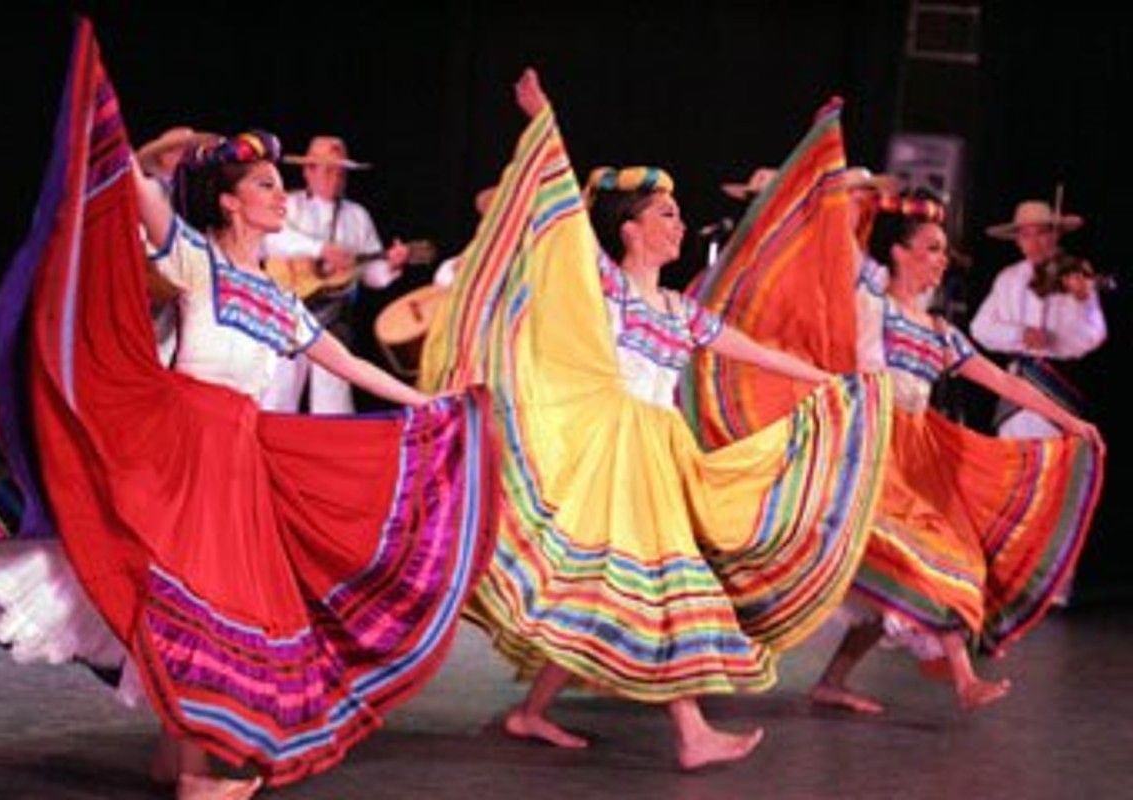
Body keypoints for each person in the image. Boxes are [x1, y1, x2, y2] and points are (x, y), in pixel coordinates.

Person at [0, 21, 498, 799]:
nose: (276, 192)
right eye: (262, 185)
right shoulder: (194, 257)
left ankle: (176, 753)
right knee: (196, 592)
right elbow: (129, 185)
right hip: (183, 440)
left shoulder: (279, 300)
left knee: (207, 599)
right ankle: (195, 779)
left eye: (276, 186)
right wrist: (159, 148)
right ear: (229, 203)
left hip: (237, 451)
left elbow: (349, 360)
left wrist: (428, 401)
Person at [421, 69, 892, 769]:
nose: (678, 223)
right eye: (666, 214)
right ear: (632, 227)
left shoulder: (679, 311)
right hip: (610, 446)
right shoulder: (603, 286)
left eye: (675, 213)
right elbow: (557, 215)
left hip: (656, 449)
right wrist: (543, 122)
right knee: (669, 582)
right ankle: (692, 732)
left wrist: (831, 382)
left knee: (603, 586)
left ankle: (530, 712)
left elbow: (751, 350)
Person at [809, 189, 1104, 714]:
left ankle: (833, 679)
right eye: (931, 247)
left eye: (944, 250)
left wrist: (1067, 420)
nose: (942, 259)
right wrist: (849, 198)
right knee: (936, 560)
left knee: (909, 576)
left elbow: (1000, 381)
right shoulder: (872, 308)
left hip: (918, 453)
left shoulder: (942, 333)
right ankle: (965, 680)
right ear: (898, 253)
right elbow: (841, 282)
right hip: (873, 448)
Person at [261, 135, 410, 413]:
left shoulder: (357, 216)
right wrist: (319, 249)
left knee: (333, 398)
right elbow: (269, 240)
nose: (335, 178)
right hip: (287, 311)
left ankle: (329, 453)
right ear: (308, 171)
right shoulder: (288, 205)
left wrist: (391, 263)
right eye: (328, 170)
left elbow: (370, 275)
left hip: (333, 318)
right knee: (278, 392)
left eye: (340, 172)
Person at [971, 200, 1107, 438]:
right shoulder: (1008, 278)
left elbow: (1094, 336)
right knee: (1012, 464)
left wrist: (1083, 301)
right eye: (1026, 235)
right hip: (1016, 390)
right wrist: (1019, 334)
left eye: (1042, 233)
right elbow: (979, 328)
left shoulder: (1074, 274)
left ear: (1055, 235)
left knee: (1056, 464)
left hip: (1059, 386)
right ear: (1018, 240)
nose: (1034, 243)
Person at [136, 126, 220, 367]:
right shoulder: (150, 189)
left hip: (184, 282)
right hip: (153, 279)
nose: (190, 157)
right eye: (182, 151)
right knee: (152, 350)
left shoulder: (193, 195)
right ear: (165, 156)